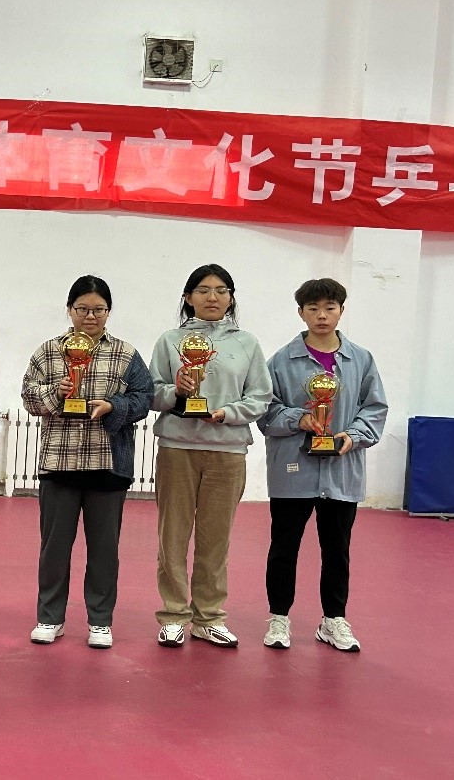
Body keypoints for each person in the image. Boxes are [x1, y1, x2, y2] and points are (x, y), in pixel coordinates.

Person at [20, 276, 153, 649]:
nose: (90, 316)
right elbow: (29, 397)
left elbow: (145, 397)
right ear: (69, 310)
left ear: (108, 312)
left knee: (104, 551)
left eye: (98, 309)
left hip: (107, 464)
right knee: (54, 549)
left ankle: (100, 621)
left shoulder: (126, 354)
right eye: (82, 308)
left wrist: (114, 406)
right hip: (58, 463)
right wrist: (56, 392)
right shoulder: (48, 352)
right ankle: (50, 617)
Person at [257, 278, 387, 652]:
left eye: (330, 308)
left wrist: (353, 436)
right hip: (292, 470)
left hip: (342, 471)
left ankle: (334, 620)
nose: (322, 316)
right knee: (283, 547)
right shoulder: (281, 361)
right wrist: (299, 419)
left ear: (341, 311)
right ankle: (279, 618)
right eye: (313, 309)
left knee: (337, 550)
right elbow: (265, 412)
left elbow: (375, 408)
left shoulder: (361, 360)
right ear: (301, 313)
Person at [148, 264, 272, 648]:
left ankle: (208, 617)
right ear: (188, 298)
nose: (212, 297)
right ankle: (173, 615)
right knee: (172, 536)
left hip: (227, 451)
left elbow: (260, 397)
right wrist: (176, 391)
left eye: (221, 290)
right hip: (177, 448)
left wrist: (226, 413)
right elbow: (152, 393)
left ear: (231, 298)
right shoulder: (170, 341)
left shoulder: (247, 343)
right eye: (203, 290)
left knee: (216, 540)